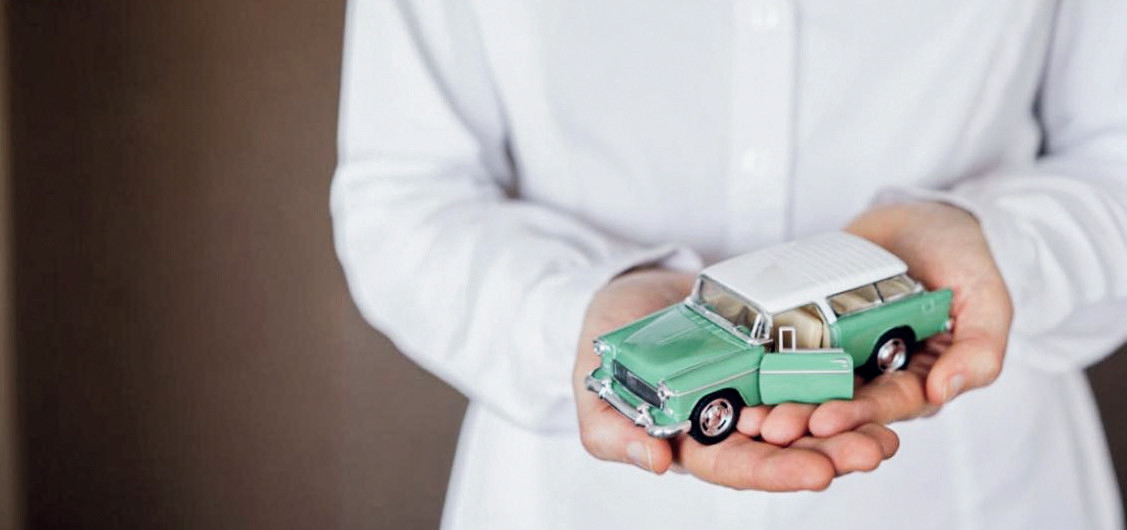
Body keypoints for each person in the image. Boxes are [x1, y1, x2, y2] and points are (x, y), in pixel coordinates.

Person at [331, 1, 1127, 528]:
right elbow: (402, 196)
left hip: (975, 486)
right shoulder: (672, 347)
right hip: (572, 499)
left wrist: (997, 244)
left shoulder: (865, 328)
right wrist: (571, 310)